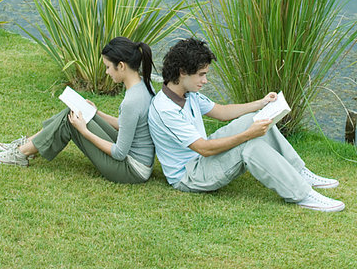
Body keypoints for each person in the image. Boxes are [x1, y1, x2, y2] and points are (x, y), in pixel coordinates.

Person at [148, 38, 345, 212]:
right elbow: (203, 148)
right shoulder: (166, 109)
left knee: (256, 118)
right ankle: (301, 194)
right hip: (190, 175)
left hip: (200, 159)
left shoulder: (187, 94)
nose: (205, 80)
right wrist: (247, 135)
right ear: (182, 72)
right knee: (250, 146)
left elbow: (222, 112)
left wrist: (261, 104)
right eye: (201, 74)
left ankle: (299, 172)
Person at [0, 37, 155, 184]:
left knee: (71, 120)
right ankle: (27, 144)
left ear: (121, 66)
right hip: (134, 158)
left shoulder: (131, 101)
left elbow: (119, 153)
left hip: (131, 170)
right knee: (75, 109)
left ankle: (21, 153)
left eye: (108, 67)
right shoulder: (143, 87)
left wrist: (84, 131)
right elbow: (126, 124)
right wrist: (96, 113)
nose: (106, 72)